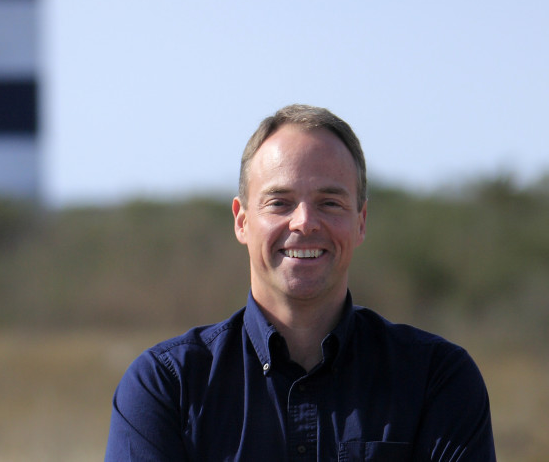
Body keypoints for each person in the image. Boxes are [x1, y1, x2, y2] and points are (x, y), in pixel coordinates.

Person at [104, 104, 496, 461]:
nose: (304, 221)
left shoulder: (437, 379)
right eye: (280, 202)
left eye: (330, 202)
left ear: (360, 222)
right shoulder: (166, 386)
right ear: (242, 221)